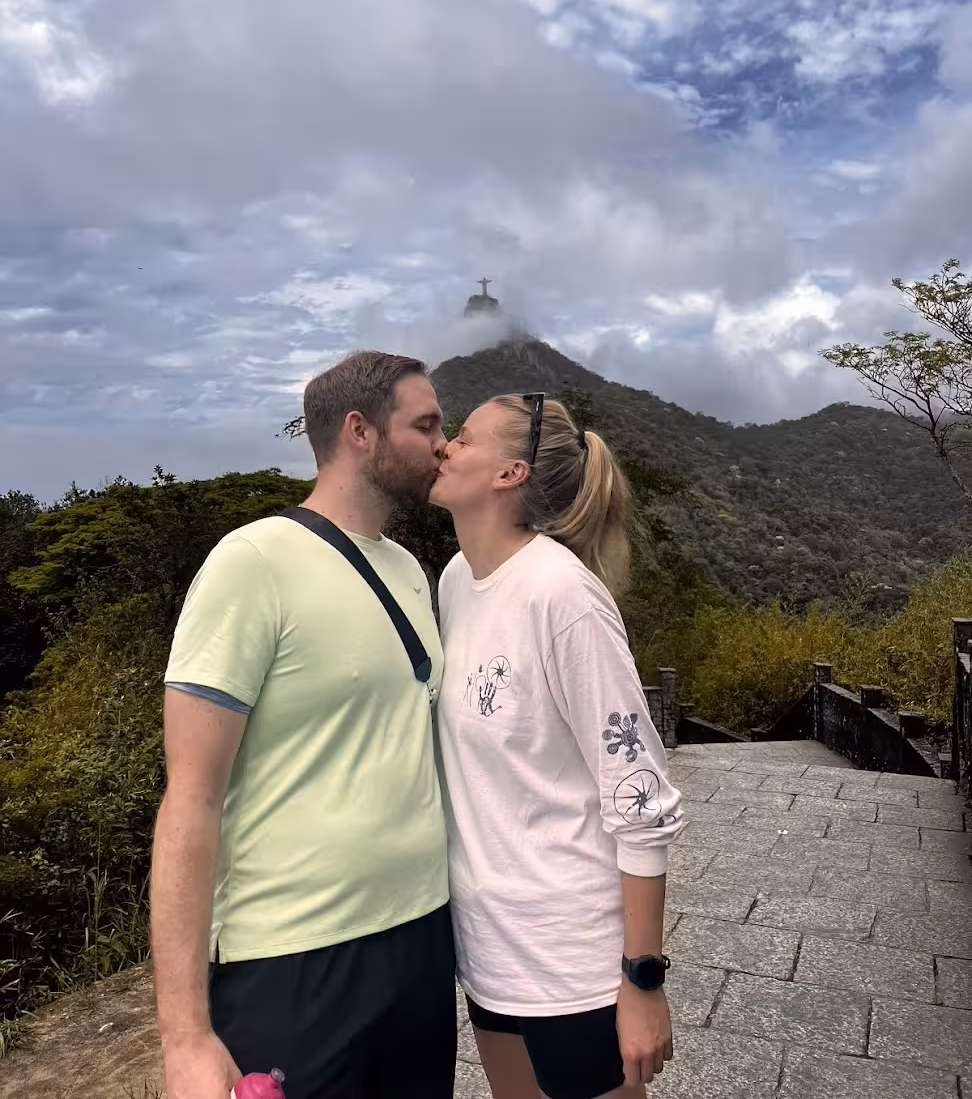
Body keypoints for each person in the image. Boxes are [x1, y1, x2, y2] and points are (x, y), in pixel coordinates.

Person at [150, 350, 457, 1099]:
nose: (443, 444)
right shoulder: (252, 561)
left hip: (421, 936)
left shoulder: (411, 571)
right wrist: (185, 1037)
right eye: (425, 424)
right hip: (293, 958)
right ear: (360, 431)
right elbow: (190, 800)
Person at [430, 392, 683, 1099]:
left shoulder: (562, 597)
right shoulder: (456, 581)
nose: (445, 445)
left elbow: (639, 796)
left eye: (465, 437)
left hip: (575, 965)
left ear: (510, 472)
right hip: (489, 953)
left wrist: (641, 980)